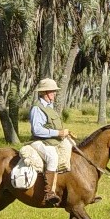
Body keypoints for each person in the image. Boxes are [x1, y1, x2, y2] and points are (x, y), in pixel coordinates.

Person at [28, 78, 70, 206]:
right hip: (40, 141)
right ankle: (48, 193)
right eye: (52, 92)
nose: (54, 94)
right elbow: (37, 130)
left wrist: (63, 133)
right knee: (52, 157)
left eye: (54, 92)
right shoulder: (37, 108)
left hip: (51, 140)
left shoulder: (50, 107)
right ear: (44, 93)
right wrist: (58, 133)